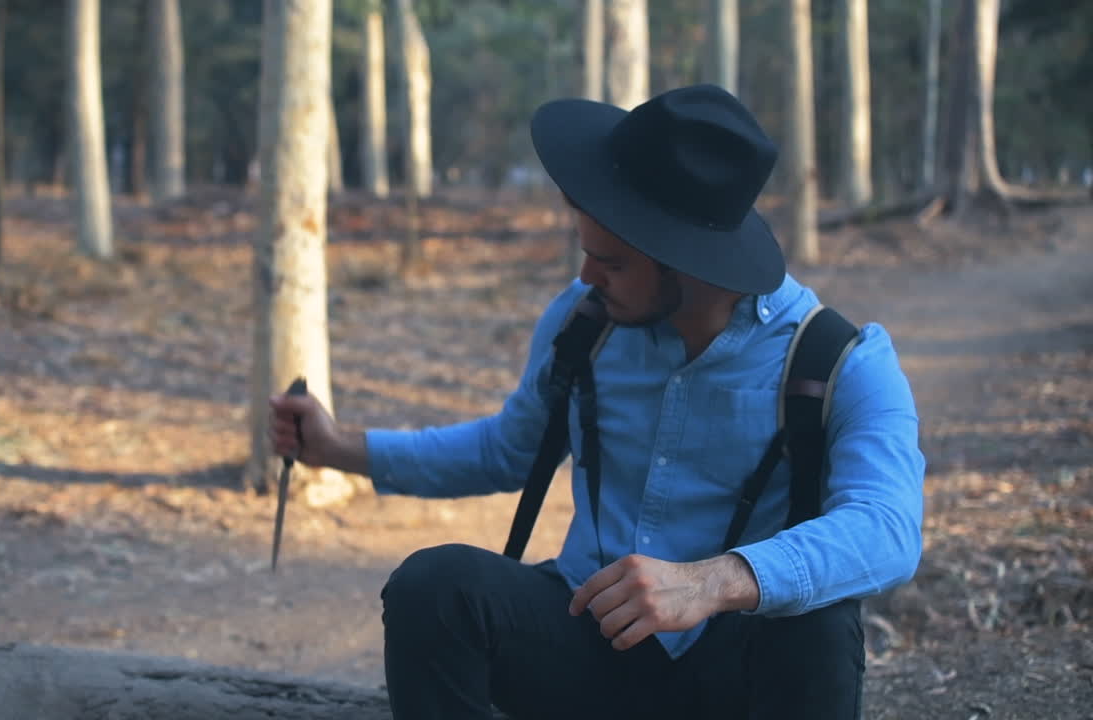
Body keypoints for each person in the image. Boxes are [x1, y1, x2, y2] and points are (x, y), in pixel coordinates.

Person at [268, 84, 924, 720]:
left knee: (818, 623)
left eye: (609, 262)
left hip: (733, 667)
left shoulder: (841, 362)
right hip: (585, 641)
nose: (586, 276)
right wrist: (336, 448)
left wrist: (712, 582)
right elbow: (505, 451)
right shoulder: (584, 324)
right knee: (433, 588)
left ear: (687, 263)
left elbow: (889, 529)